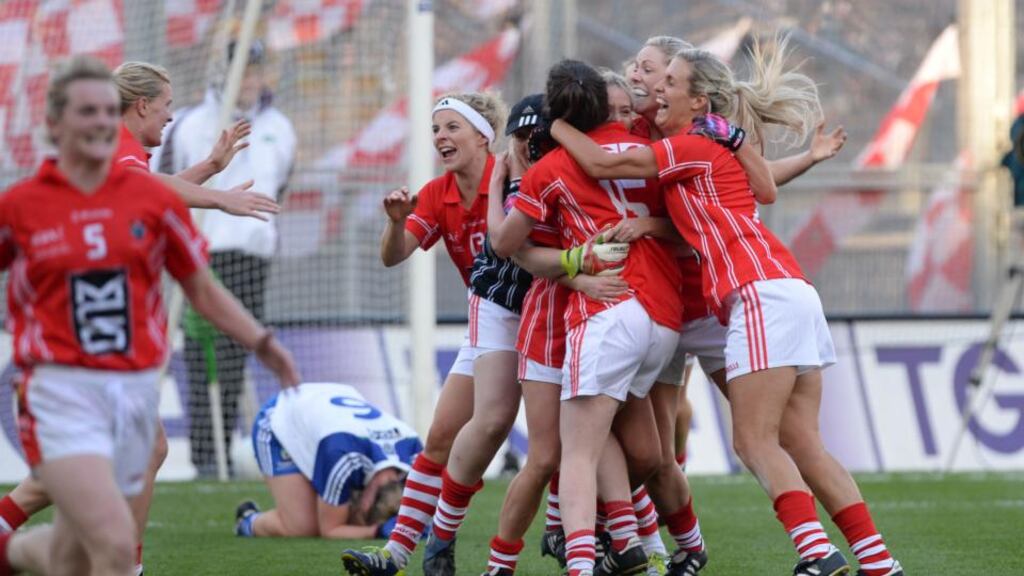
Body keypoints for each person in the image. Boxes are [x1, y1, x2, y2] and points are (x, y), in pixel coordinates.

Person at [550, 39, 903, 576]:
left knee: (753, 441)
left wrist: (550, 122)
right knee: (793, 443)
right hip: (765, 295)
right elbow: (755, 189)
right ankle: (879, 563)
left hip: (749, 296)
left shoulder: (688, 143)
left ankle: (816, 555)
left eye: (665, 77)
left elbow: (601, 165)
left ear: (698, 102)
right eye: (647, 73)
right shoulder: (704, 138)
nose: (650, 82)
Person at [0, 55, 298, 576]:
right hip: (58, 380)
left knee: (86, 527)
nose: (169, 117)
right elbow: (149, 188)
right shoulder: (34, 201)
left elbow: (153, 207)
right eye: (165, 107)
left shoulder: (131, 184)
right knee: (110, 542)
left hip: (122, 374)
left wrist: (207, 174)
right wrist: (218, 197)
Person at [341, 91, 508, 576]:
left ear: (483, 136)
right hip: (488, 325)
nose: (440, 137)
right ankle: (396, 554)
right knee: (439, 439)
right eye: (436, 129)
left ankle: (619, 542)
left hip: (542, 321)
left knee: (563, 452)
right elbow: (393, 255)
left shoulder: (513, 176)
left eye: (452, 127)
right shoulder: (437, 193)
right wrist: (395, 225)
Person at [151, 40, 297, 478]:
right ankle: (205, 453)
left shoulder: (279, 126)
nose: (249, 80)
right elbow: (162, 181)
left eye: (255, 71)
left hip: (252, 253)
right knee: (201, 352)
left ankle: (223, 446)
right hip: (204, 249)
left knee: (239, 349)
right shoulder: (194, 123)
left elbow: (281, 182)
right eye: (242, 71)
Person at [234, 382, 421, 539]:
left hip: (325, 406)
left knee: (333, 508)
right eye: (362, 515)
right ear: (365, 503)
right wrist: (377, 531)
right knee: (303, 527)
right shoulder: (345, 460)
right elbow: (330, 530)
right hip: (278, 416)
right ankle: (247, 521)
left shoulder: (415, 451)